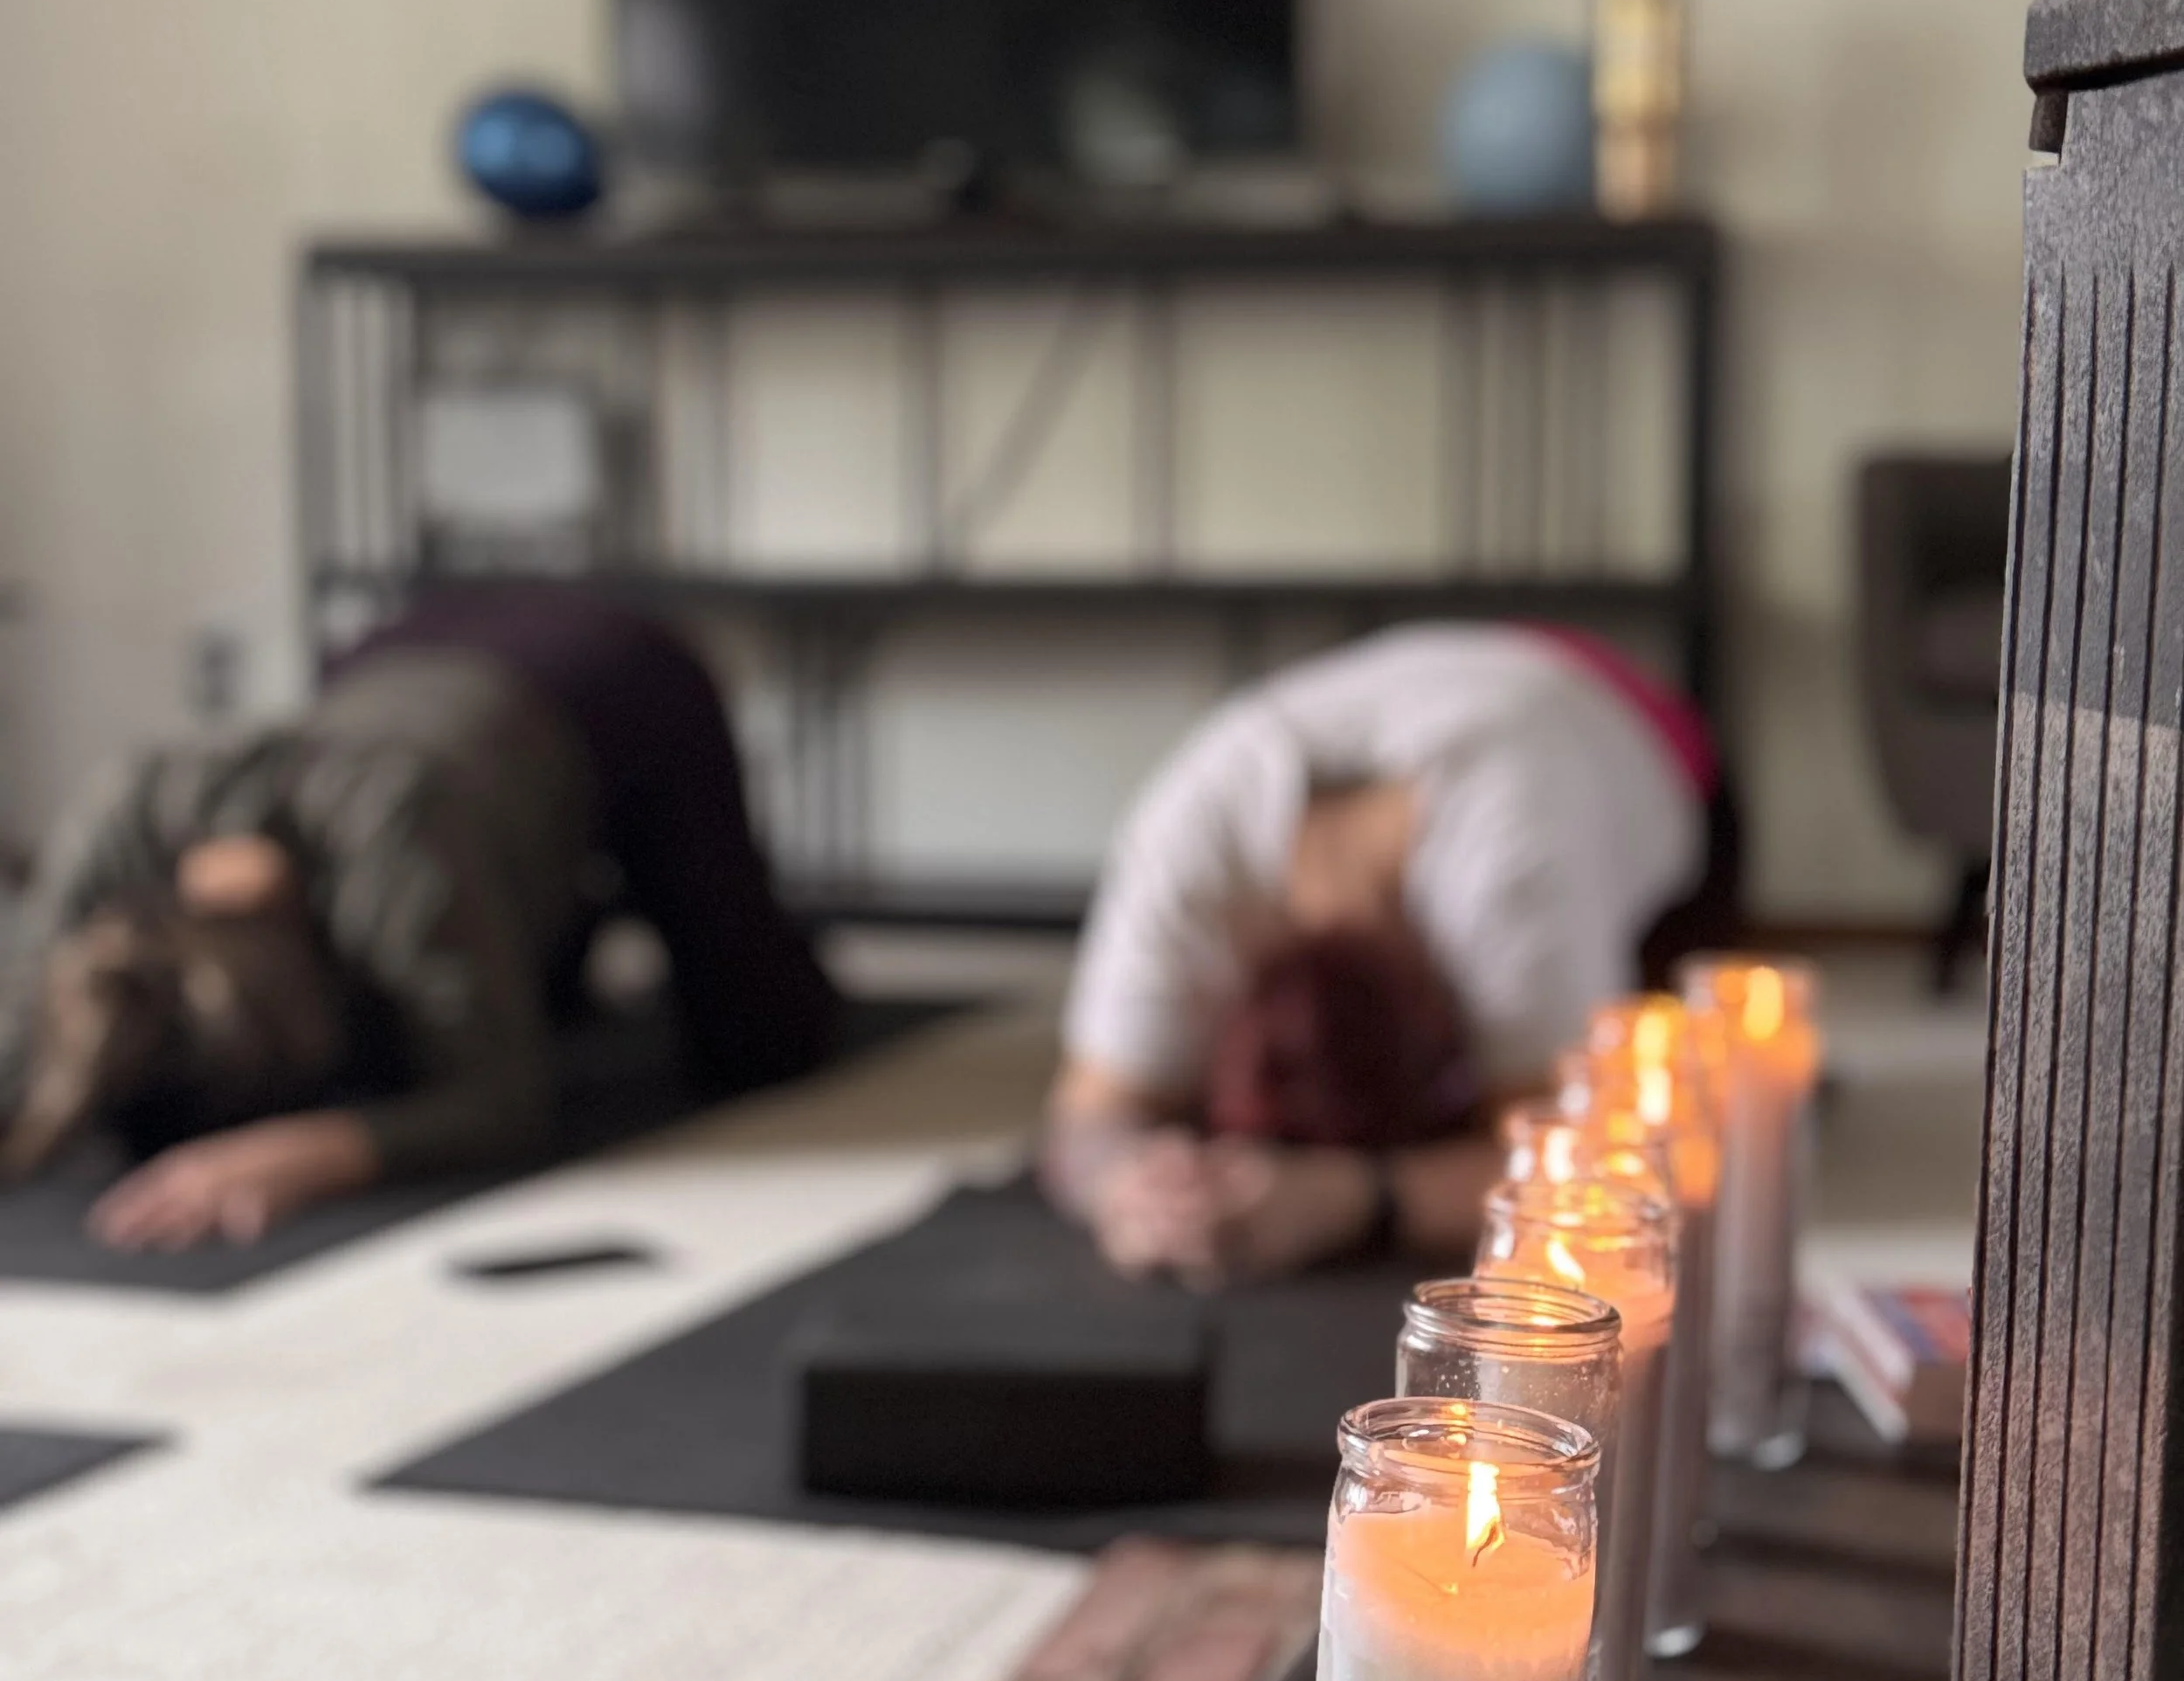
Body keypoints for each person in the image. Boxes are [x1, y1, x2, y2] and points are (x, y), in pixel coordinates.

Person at [0, 588, 835, 1249]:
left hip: (609, 679)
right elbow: (18, 1025)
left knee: (762, 1039)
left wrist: (319, 1148)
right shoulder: (122, 815)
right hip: (398, 651)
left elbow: (500, 1100)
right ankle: (541, 934)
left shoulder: (397, 853)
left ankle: (596, 896)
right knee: (490, 982)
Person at [1043, 623, 1715, 1288]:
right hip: (1458, 672)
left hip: (1641, 715)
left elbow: (1583, 1175)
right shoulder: (1184, 853)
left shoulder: (1515, 877)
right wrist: (1127, 1188)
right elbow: (1088, 1115)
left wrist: (1356, 1198)